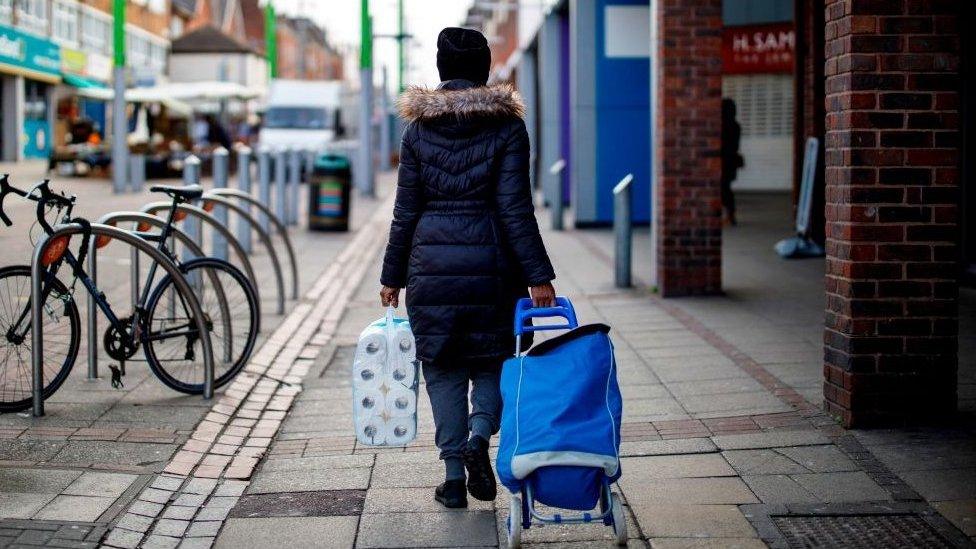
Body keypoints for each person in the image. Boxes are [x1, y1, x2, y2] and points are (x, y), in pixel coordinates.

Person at [379, 27, 557, 510]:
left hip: (430, 264)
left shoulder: (418, 130)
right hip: (494, 264)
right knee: (495, 360)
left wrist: (390, 276)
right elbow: (516, 208)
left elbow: (405, 210)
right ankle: (481, 438)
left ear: (441, 68)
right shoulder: (507, 127)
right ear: (484, 67)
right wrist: (539, 275)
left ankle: (454, 479)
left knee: (442, 369)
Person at [721, 98, 744, 226]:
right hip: (731, 161)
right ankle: (730, 215)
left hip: (724, 161)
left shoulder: (723, 125)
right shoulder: (736, 126)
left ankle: (729, 215)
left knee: (724, 189)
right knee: (726, 188)